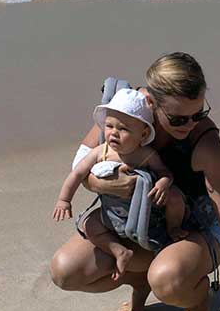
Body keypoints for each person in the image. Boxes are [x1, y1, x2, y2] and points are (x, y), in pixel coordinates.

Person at [50, 52, 220, 311]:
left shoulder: (205, 144)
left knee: (167, 278)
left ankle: (197, 303)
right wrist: (103, 185)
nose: (190, 124)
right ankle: (140, 279)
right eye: (178, 118)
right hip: (133, 221)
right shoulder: (125, 111)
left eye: (198, 113)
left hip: (191, 228)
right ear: (150, 103)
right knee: (65, 271)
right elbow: (81, 164)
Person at [52, 87, 188, 280]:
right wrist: (64, 200)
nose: (114, 133)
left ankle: (173, 228)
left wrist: (164, 183)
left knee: (175, 198)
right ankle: (119, 251)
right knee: (90, 225)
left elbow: (164, 172)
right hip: (111, 214)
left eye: (123, 128)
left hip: (145, 214)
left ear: (143, 134)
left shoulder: (146, 154)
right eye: (109, 126)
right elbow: (77, 173)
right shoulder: (101, 151)